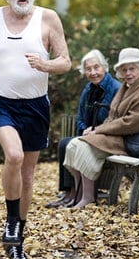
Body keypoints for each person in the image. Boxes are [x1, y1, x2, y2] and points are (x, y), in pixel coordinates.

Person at [0, 0, 71, 259]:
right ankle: (11, 222)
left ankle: (18, 239)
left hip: (35, 106)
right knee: (14, 156)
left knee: (27, 177)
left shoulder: (48, 18)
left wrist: (45, 65)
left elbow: (65, 61)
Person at [63, 47, 139, 209]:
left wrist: (98, 131)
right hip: (122, 136)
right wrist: (94, 131)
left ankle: (88, 198)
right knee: (73, 145)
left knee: (82, 146)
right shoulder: (128, 87)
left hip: (136, 141)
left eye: (132, 69)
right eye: (124, 70)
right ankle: (82, 194)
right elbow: (113, 115)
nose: (128, 73)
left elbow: (130, 123)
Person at [44, 49, 120, 208]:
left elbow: (116, 120)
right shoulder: (88, 89)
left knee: (71, 144)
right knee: (64, 143)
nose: (93, 72)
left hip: (105, 137)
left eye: (96, 67)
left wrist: (96, 130)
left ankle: (77, 194)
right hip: (89, 134)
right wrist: (84, 128)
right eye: (88, 69)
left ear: (104, 67)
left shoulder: (115, 89)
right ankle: (69, 193)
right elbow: (80, 117)